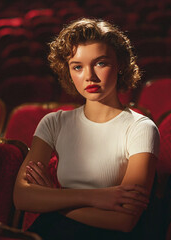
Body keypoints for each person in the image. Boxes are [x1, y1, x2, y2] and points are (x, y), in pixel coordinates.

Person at [13, 18, 160, 240]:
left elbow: (124, 221)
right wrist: (97, 198)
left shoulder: (141, 128)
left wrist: (53, 199)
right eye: (78, 67)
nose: (89, 76)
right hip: (51, 230)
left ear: (120, 64)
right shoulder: (53, 122)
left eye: (100, 63)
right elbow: (22, 197)